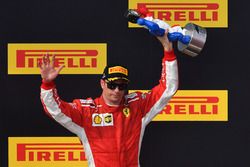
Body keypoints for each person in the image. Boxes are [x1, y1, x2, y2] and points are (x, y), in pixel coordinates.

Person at [40, 31, 178, 167]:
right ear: (102, 83)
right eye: (112, 85)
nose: (117, 90)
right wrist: (47, 84)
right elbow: (55, 110)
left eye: (121, 86)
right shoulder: (87, 112)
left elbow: (167, 88)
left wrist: (168, 51)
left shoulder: (137, 106)